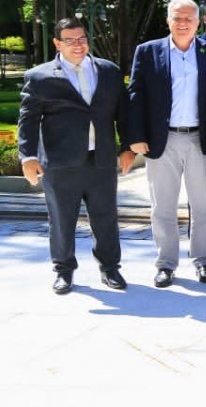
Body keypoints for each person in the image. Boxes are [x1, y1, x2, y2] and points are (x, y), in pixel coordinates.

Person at [19, 18, 134, 293]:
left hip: (102, 160)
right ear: (57, 43)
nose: (77, 45)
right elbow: (28, 119)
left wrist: (127, 147)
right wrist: (28, 156)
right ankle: (64, 271)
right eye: (69, 40)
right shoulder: (40, 76)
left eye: (81, 38)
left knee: (106, 217)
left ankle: (110, 268)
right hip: (60, 163)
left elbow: (124, 114)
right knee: (61, 219)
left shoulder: (108, 71)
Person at [126, 0, 206, 286]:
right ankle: (166, 264)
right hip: (161, 140)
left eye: (189, 19)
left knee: (203, 205)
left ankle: (204, 261)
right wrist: (135, 137)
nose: (182, 23)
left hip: (199, 139)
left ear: (198, 21)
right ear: (168, 20)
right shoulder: (147, 51)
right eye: (177, 18)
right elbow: (135, 96)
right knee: (162, 206)